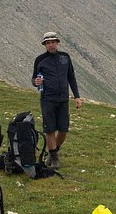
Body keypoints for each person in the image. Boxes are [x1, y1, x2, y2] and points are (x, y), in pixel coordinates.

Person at [31, 31, 82, 168]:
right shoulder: (40, 60)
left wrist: (77, 96)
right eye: (48, 43)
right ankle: (54, 158)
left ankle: (53, 152)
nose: (51, 45)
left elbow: (71, 77)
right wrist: (35, 82)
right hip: (48, 99)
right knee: (50, 130)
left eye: (53, 42)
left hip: (63, 100)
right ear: (45, 45)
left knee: (63, 130)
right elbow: (34, 78)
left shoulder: (65, 57)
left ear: (57, 43)